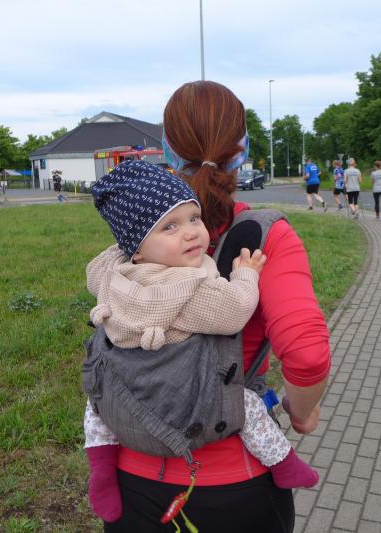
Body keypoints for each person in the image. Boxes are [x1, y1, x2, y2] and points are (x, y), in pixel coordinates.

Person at [86, 81, 330, 533]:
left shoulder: (136, 240)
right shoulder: (267, 236)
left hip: (134, 480)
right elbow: (307, 352)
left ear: (167, 149)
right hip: (236, 483)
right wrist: (303, 413)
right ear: (243, 151)